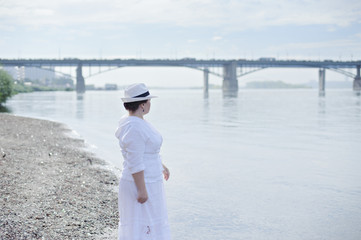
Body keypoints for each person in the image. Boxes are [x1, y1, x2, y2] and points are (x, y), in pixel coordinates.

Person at [115, 83, 171, 240]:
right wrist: (141, 190)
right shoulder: (134, 126)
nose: (150, 103)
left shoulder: (135, 122)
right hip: (141, 182)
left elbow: (146, 150)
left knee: (150, 224)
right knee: (142, 226)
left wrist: (161, 165)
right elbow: (135, 160)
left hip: (151, 180)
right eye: (148, 101)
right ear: (142, 105)